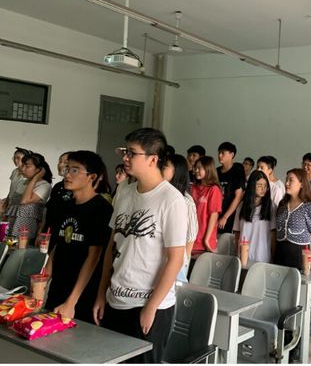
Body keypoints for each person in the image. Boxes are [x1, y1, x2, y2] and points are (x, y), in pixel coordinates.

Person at [92, 128, 187, 363]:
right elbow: (112, 246)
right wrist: (102, 293)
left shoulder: (172, 200)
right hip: (115, 300)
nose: (125, 158)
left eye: (132, 153)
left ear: (153, 159)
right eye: (125, 152)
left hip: (148, 305)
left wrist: (151, 307)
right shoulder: (124, 192)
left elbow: (176, 259)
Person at [44, 151, 113, 324]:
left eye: (75, 170)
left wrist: (71, 301)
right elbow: (57, 246)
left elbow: (94, 257)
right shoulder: (65, 205)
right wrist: (42, 282)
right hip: (58, 285)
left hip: (82, 293)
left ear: (92, 177)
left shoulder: (101, 209)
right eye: (67, 169)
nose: (67, 174)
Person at [0, 152, 53, 241]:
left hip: (25, 229)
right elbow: (12, 203)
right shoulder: (22, 182)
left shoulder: (44, 185)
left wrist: (35, 179)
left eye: (27, 166)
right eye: (22, 165)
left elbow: (24, 201)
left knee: (20, 249)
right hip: (11, 224)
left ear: (38, 170)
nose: (23, 169)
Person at [274, 168, 311, 270]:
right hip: (280, 251)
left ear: (302, 184)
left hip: (299, 254)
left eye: (291, 180)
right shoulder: (282, 205)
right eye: (286, 180)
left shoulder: (310, 207)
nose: (286, 183)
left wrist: (299, 238)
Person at [162, 153, 198, 283]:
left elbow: (191, 235)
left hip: (176, 261)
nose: (160, 169)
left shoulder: (186, 201)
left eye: (165, 167)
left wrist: (183, 262)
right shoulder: (160, 195)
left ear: (177, 172)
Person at [233, 170, 276, 263]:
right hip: (244, 258)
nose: (263, 189)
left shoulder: (271, 206)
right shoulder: (242, 206)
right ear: (252, 186)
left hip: (263, 258)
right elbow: (237, 234)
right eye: (259, 185)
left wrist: (274, 256)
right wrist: (237, 254)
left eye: (265, 186)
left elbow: (274, 235)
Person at [191, 156, 223, 253]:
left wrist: (207, 239)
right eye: (195, 168)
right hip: (191, 240)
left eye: (199, 168)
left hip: (205, 242)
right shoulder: (192, 188)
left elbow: (214, 215)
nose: (196, 170)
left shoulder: (214, 189)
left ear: (208, 169)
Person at [39, 151, 73, 241]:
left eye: (65, 162)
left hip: (64, 235)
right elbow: (48, 210)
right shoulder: (58, 186)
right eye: (60, 161)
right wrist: (41, 231)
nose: (60, 165)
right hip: (49, 232)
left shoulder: (75, 189)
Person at [216, 142, 246, 233]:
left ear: (232, 155)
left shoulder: (237, 172)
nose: (220, 156)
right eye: (219, 153)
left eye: (223, 153)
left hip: (230, 217)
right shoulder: (216, 171)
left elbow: (238, 197)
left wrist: (225, 217)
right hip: (215, 214)